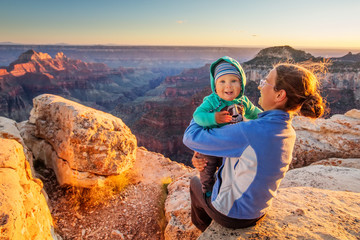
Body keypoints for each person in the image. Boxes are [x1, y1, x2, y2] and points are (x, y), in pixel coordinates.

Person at [183, 62, 326, 231]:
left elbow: (190, 137)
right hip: (258, 209)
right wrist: (205, 150)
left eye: (265, 82)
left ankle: (205, 230)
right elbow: (249, 154)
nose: (259, 87)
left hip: (232, 214)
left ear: (279, 95)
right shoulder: (287, 131)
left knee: (194, 183)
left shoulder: (249, 131)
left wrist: (203, 114)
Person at [192, 56, 262, 197]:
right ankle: (207, 190)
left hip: (232, 145)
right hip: (212, 145)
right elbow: (198, 115)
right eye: (222, 81)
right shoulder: (212, 101)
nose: (228, 86)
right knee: (207, 167)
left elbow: (255, 113)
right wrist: (213, 118)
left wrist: (268, 119)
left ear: (241, 84)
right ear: (215, 86)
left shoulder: (243, 101)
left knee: (233, 169)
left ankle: (232, 188)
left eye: (234, 81)